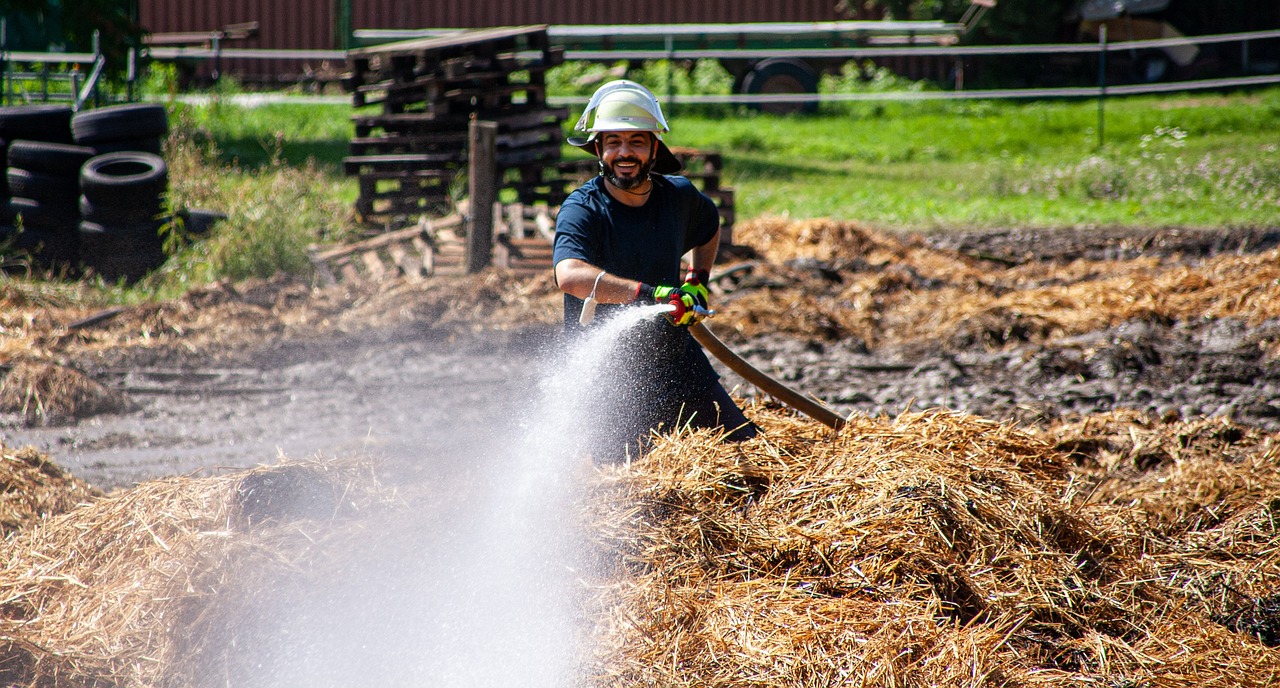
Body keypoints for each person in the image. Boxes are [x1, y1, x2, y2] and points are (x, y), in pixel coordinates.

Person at [552, 79, 757, 461]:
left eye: (636, 141)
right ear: (598, 149)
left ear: (653, 149)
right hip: (610, 374)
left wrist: (697, 283)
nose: (624, 152)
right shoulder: (583, 209)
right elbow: (570, 276)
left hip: (676, 357)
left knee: (746, 455)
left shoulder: (678, 197)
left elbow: (709, 227)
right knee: (627, 482)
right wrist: (652, 294)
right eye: (613, 141)